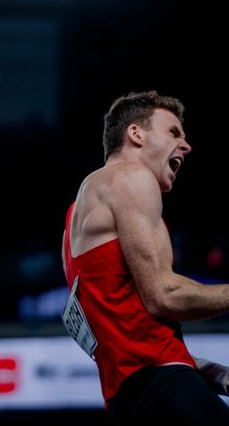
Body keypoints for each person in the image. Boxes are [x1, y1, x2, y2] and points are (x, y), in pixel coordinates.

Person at [61, 90, 229, 424]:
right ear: (135, 134)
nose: (186, 145)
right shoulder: (130, 176)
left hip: (130, 403)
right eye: (173, 132)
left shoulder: (73, 220)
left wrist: (219, 375)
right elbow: (164, 296)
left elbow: (134, 338)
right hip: (163, 387)